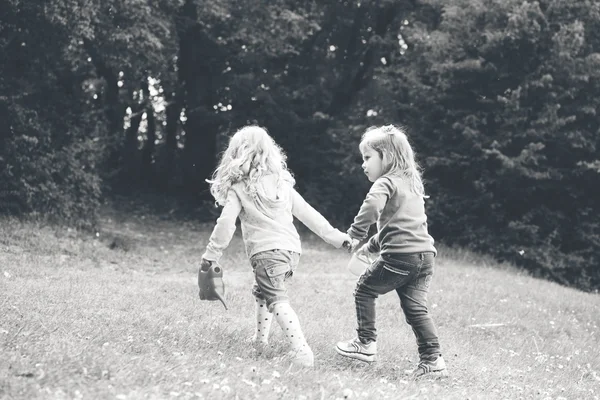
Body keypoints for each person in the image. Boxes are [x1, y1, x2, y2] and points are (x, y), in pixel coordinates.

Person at [200, 125, 350, 368]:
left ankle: (301, 351)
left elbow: (226, 223)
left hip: (267, 253)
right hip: (291, 252)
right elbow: (309, 214)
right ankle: (260, 341)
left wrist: (212, 253)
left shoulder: (240, 188)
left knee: (277, 300)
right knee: (263, 291)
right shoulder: (282, 184)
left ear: (238, 155)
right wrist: (334, 237)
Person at [336, 124, 448, 379]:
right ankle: (433, 360)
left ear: (386, 157)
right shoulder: (410, 184)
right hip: (425, 257)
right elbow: (399, 227)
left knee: (365, 289)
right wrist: (371, 246)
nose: (363, 164)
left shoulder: (385, 183)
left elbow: (372, 206)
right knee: (415, 308)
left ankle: (365, 344)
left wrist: (354, 234)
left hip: (400, 257)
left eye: (367, 157)